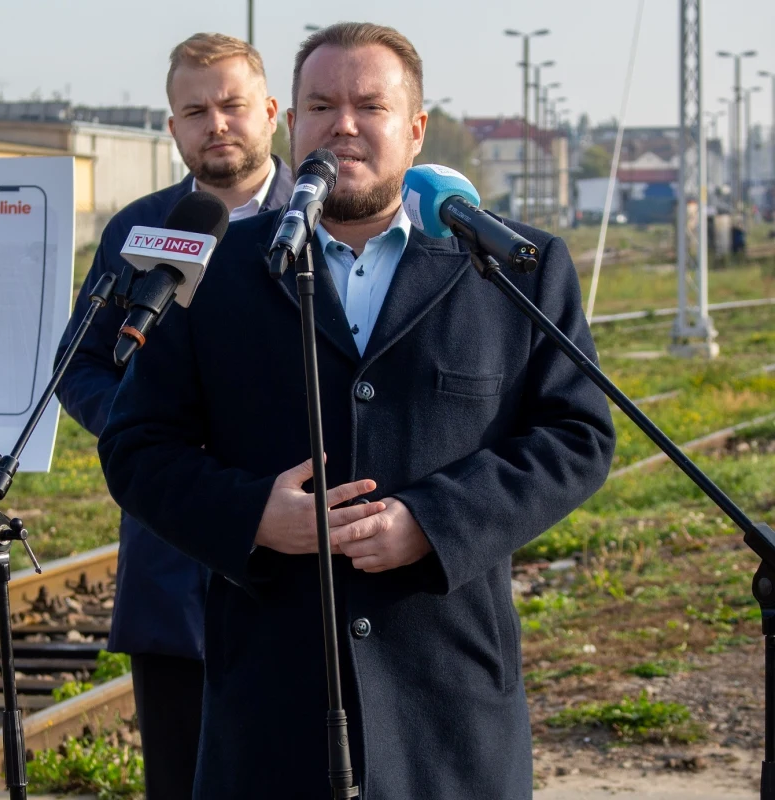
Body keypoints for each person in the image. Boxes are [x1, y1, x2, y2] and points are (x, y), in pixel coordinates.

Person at [97, 22, 615, 799]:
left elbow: (575, 435)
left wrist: (433, 525)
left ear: (414, 131)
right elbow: (136, 447)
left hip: (451, 709)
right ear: (290, 124)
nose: (342, 123)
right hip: (270, 712)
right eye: (320, 104)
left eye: (369, 105)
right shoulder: (210, 276)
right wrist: (251, 518)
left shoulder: (511, 272)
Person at [53, 32, 293, 800]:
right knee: (181, 779)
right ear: (172, 128)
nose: (216, 124)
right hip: (171, 552)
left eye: (232, 106)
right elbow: (77, 364)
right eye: (195, 111)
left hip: (293, 551)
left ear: (271, 112)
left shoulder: (323, 219)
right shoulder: (140, 228)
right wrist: (145, 426)